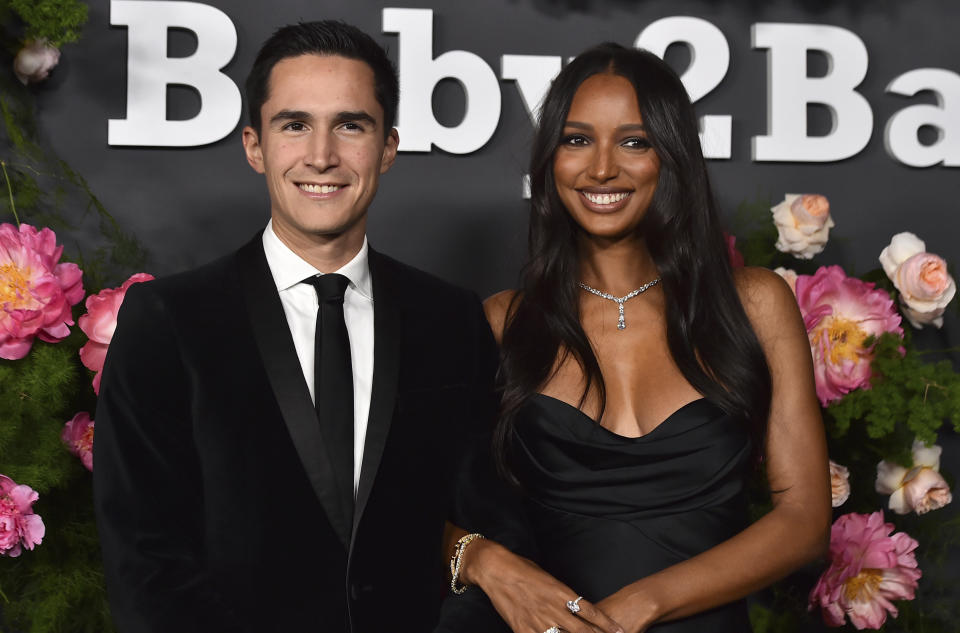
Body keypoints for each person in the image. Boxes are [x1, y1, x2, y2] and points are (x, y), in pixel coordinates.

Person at [93, 21, 503, 633]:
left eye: (350, 125)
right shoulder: (169, 322)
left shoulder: (450, 320)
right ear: (255, 147)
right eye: (294, 125)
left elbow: (488, 519)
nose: (321, 156)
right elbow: (144, 560)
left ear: (388, 147)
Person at [444, 43, 831, 633]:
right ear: (550, 160)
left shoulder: (752, 305)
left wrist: (639, 605)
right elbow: (405, 508)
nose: (601, 168)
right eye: (576, 140)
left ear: (670, 157)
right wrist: (487, 561)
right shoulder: (504, 322)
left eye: (633, 141)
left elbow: (804, 521)